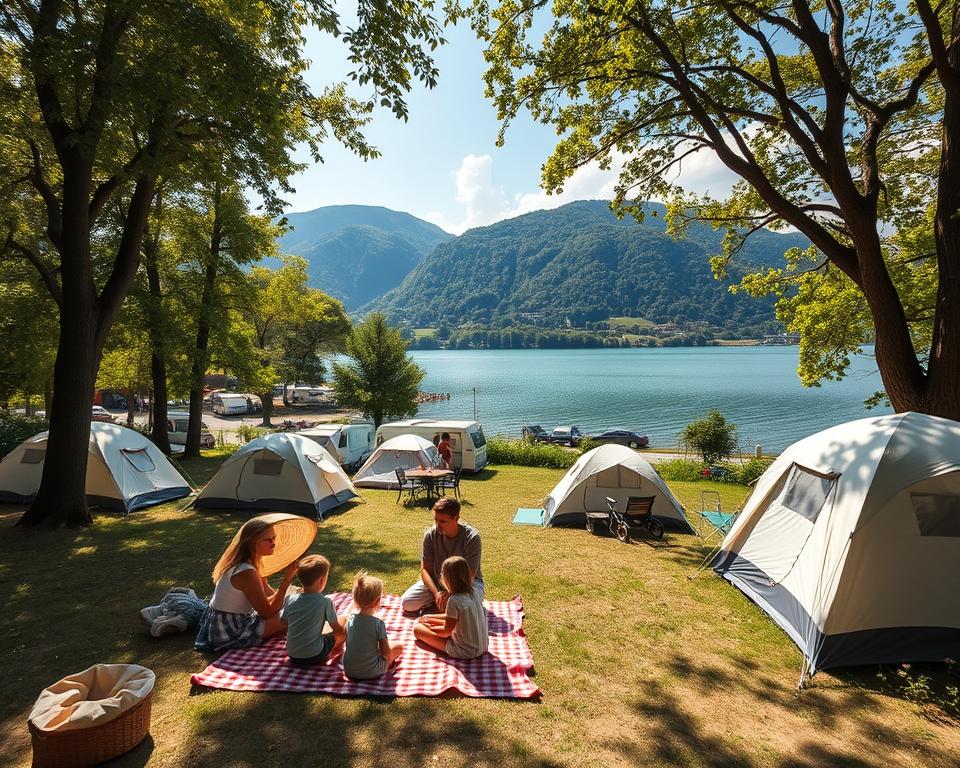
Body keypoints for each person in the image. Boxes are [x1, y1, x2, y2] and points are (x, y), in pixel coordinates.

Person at [194, 518, 298, 652]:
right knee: (297, 613)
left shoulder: (249, 563)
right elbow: (267, 612)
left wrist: (289, 597)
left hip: (224, 620)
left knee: (294, 608)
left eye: (274, 538)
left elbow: (269, 595)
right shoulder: (246, 571)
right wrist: (286, 581)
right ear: (251, 543)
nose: (273, 543)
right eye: (268, 540)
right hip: (229, 628)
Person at [400, 497, 483, 613]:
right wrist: (437, 594)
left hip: (467, 584)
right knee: (407, 603)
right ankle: (439, 603)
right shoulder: (430, 535)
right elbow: (425, 570)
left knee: (463, 606)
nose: (438, 525)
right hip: (438, 584)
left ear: (456, 519)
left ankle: (444, 605)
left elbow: (470, 574)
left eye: (443, 521)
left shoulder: (472, 538)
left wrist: (450, 594)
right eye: (436, 520)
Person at [413, 556, 489, 659]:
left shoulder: (454, 600)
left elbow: (445, 632)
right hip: (482, 647)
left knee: (417, 630)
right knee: (424, 623)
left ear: (447, 579)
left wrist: (428, 627)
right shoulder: (475, 592)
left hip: (465, 651)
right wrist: (428, 618)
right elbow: (451, 618)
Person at [280, 554, 345, 667]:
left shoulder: (290, 599)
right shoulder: (325, 602)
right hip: (316, 655)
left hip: (293, 655)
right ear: (322, 580)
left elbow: (284, 621)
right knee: (343, 622)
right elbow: (337, 628)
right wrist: (345, 629)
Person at [342, 571, 403, 680]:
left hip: (349, 670)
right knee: (398, 646)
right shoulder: (378, 624)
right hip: (372, 672)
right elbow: (386, 653)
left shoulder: (349, 620)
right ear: (377, 602)